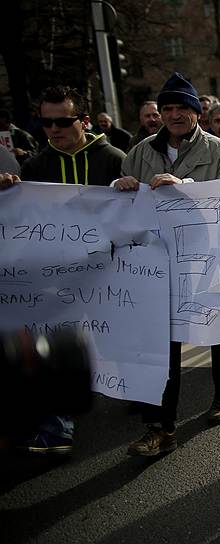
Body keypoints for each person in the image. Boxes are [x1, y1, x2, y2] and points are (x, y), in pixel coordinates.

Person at [114, 73, 220, 458]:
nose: (173, 115)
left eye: (181, 108)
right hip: (158, 264)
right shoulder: (140, 153)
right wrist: (121, 188)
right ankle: (160, 428)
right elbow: (124, 209)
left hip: (208, 260)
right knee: (160, 343)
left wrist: (185, 187)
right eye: (167, 108)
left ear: (196, 112)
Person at [1, 86, 127, 456]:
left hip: (109, 272)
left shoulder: (114, 159)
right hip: (54, 275)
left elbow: (138, 214)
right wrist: (8, 191)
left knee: (116, 339)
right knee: (55, 342)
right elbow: (21, 221)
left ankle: (136, 391)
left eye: (62, 121)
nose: (53, 129)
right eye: (46, 122)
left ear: (84, 121)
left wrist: (131, 185)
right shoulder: (34, 167)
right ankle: (57, 429)